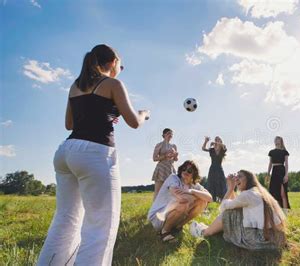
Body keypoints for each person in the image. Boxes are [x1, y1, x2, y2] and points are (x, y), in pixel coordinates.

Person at [38, 44, 150, 266]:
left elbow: (69, 124)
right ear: (112, 63)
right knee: (100, 226)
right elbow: (134, 122)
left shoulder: (75, 86)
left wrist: (108, 112)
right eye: (120, 64)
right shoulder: (113, 84)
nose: (120, 69)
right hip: (94, 152)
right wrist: (144, 114)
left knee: (65, 219)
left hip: (66, 152)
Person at [189, 170, 287, 250]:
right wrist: (232, 188)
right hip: (274, 236)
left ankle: (205, 232)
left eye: (240, 176)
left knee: (227, 214)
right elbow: (235, 203)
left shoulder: (247, 195)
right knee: (234, 212)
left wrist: (230, 188)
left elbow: (223, 207)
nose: (236, 178)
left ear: (248, 180)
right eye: (236, 176)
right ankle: (211, 228)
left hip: (260, 238)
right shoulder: (257, 192)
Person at [148, 160, 212, 242]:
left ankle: (178, 226)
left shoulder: (194, 185)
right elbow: (181, 198)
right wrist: (197, 196)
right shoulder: (173, 178)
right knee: (183, 203)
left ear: (194, 175)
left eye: (189, 171)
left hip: (173, 214)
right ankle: (164, 232)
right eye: (184, 169)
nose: (185, 172)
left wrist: (192, 191)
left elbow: (209, 198)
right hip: (158, 216)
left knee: (202, 202)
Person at [152, 128, 178, 200]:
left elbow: (175, 160)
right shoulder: (159, 145)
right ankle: (154, 210)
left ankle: (168, 209)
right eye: (168, 133)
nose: (170, 135)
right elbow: (154, 158)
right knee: (158, 191)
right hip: (161, 169)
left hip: (171, 169)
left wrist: (175, 156)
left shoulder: (174, 146)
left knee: (171, 191)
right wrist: (165, 156)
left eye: (171, 134)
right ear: (163, 135)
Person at [267, 136, 290, 210]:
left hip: (281, 171)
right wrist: (268, 174)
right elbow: (270, 163)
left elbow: (286, 164)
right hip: (274, 172)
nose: (277, 141)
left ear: (281, 141)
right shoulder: (271, 152)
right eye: (275, 139)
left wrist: (286, 175)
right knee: (273, 192)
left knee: (283, 193)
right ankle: (276, 211)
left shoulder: (285, 152)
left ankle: (286, 212)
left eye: (278, 139)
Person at [202, 136, 227, 202]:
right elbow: (203, 148)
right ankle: (211, 199)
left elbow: (224, 146)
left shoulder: (223, 149)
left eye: (218, 139)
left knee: (221, 182)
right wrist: (206, 141)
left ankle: (221, 199)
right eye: (215, 139)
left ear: (220, 141)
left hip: (219, 168)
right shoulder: (212, 150)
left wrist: (217, 143)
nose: (216, 141)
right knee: (211, 182)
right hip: (212, 168)